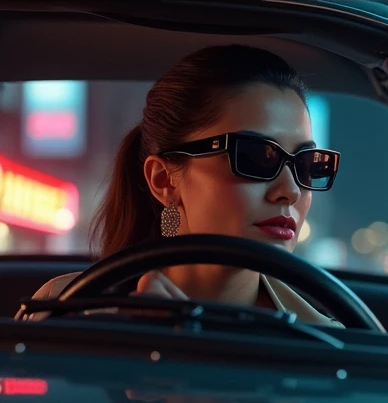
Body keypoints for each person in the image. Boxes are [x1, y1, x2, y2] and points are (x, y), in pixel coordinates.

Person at [17, 44, 343, 326]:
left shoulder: (330, 342)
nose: (291, 190)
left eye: (307, 164)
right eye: (258, 157)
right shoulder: (67, 311)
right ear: (163, 180)